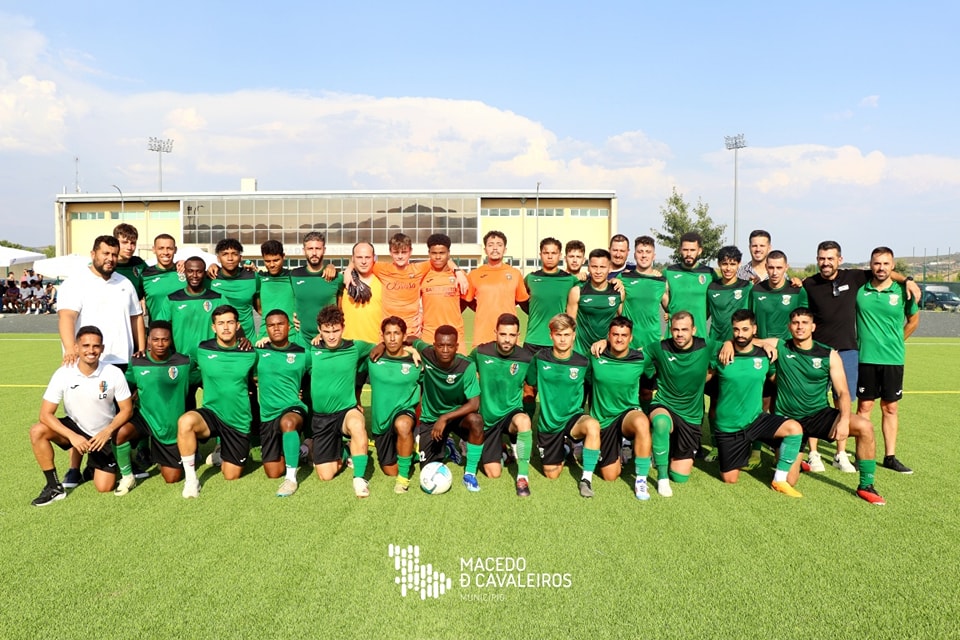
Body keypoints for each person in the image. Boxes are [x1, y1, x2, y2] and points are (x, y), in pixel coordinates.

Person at [801, 240, 920, 471]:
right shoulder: (812, 284)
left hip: (856, 353)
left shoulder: (854, 278)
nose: (826, 262)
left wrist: (908, 280)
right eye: (822, 258)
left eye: (830, 258)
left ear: (840, 260)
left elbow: (911, 315)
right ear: (817, 260)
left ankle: (847, 453)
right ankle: (814, 453)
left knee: (851, 402)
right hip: (833, 353)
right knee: (818, 401)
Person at [56, 236, 143, 488]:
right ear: (93, 253)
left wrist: (140, 350)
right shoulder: (75, 282)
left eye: (114, 254)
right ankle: (74, 468)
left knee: (120, 416)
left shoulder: (124, 282)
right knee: (80, 416)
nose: (110, 259)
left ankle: (119, 462)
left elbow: (136, 318)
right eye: (105, 253)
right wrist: (71, 348)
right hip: (87, 361)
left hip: (121, 361)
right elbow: (66, 318)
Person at [775, 309, 886, 504]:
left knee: (865, 427)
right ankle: (797, 459)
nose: (800, 326)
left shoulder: (829, 354)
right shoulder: (781, 347)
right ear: (789, 327)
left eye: (804, 322)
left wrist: (843, 420)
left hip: (818, 414)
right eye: (795, 322)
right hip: (789, 422)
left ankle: (866, 485)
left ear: (813, 327)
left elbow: (842, 392)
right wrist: (727, 344)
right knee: (789, 481)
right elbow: (752, 341)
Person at [28, 326, 133, 505]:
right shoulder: (63, 373)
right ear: (76, 348)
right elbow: (45, 415)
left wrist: (107, 432)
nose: (91, 350)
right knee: (38, 430)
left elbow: (127, 410)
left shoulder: (113, 373)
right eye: (85, 345)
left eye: (96, 346)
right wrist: (73, 437)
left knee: (104, 487)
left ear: (102, 348)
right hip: (75, 429)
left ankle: (92, 465)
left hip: (103, 434)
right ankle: (54, 486)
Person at [711, 310, 803, 497]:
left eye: (745, 329)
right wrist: (727, 343)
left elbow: (777, 379)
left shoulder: (764, 355)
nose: (740, 334)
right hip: (729, 427)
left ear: (754, 329)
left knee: (794, 429)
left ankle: (779, 479)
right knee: (729, 479)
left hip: (755, 420)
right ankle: (739, 451)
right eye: (736, 330)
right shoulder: (721, 352)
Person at [176, 305, 258, 497]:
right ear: (214, 327)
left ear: (238, 325)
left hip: (238, 420)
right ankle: (191, 480)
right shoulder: (202, 349)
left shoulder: (250, 353)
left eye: (230, 322)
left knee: (231, 475)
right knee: (185, 421)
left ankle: (223, 453)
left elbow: (263, 378)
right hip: (212, 413)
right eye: (221, 323)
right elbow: (178, 364)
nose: (226, 327)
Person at [855, 247, 920, 474]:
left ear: (892, 266)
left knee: (890, 407)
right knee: (864, 407)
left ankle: (890, 457)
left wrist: (897, 342)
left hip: (893, 359)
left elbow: (913, 320)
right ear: (870, 265)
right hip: (865, 358)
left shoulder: (903, 291)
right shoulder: (860, 290)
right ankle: (860, 454)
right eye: (876, 263)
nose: (880, 268)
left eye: (885, 264)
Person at [524, 313, 601, 498]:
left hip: (573, 419)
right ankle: (565, 447)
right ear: (551, 335)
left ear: (574, 335)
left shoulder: (583, 362)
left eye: (566, 334)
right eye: (558, 335)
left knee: (592, 425)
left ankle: (586, 479)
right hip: (549, 424)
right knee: (552, 474)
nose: (563, 339)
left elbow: (592, 387)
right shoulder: (540, 358)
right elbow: (529, 384)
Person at [307, 305, 375, 497]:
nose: (331, 336)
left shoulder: (355, 347)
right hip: (321, 418)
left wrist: (412, 350)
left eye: (335, 330)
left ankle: (359, 479)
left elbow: (383, 346)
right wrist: (264, 339)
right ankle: (345, 451)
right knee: (325, 475)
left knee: (357, 425)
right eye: (327, 331)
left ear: (343, 328)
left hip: (346, 412)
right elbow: (286, 346)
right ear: (319, 330)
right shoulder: (312, 348)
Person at [642, 312, 712, 497]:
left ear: (694, 330)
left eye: (684, 330)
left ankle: (662, 448)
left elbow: (736, 346)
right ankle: (662, 478)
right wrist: (603, 344)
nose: (680, 334)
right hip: (664, 404)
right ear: (670, 329)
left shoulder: (707, 345)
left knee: (680, 476)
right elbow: (632, 356)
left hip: (691, 415)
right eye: (675, 329)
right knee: (661, 423)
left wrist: (729, 344)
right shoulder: (659, 348)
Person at [587, 317, 653, 500]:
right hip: (604, 419)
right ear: (608, 336)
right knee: (610, 476)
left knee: (641, 422)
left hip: (627, 414)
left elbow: (653, 380)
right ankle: (622, 448)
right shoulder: (595, 355)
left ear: (631, 338)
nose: (619, 339)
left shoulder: (640, 359)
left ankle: (641, 480)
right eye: (615, 334)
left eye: (624, 335)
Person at [470, 313, 536, 496]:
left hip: (510, 415)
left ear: (518, 335)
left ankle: (523, 477)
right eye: (503, 334)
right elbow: (464, 370)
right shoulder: (481, 353)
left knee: (523, 421)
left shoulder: (526, 358)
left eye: (512, 335)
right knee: (493, 473)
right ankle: (502, 451)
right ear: (495, 333)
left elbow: (532, 386)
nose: (507, 340)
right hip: (488, 419)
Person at [413, 324, 484, 492]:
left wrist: (445, 417)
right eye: (441, 345)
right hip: (431, 419)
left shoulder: (466, 366)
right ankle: (448, 446)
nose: (445, 350)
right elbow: (410, 339)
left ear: (456, 346)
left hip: (457, 418)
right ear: (434, 345)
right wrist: (383, 345)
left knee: (477, 421)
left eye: (450, 346)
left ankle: (470, 474)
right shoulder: (426, 353)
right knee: (426, 468)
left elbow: (474, 404)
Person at [124, 321, 192, 486]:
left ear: (171, 340)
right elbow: (125, 387)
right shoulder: (137, 362)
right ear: (148, 340)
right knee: (120, 433)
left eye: (165, 340)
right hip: (145, 418)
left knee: (172, 478)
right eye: (155, 339)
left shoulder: (184, 362)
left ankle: (158, 452)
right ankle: (127, 474)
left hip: (169, 426)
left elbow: (204, 378)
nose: (160, 344)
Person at [254, 309, 309, 496]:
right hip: (268, 415)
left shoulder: (302, 353)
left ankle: (291, 479)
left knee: (288, 422)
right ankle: (302, 450)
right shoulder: (258, 352)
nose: (276, 328)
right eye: (271, 325)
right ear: (266, 329)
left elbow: (318, 375)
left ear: (289, 326)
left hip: (293, 409)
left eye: (280, 324)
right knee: (273, 472)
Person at [367, 316, 423, 493]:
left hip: (404, 413)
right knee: (390, 470)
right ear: (382, 336)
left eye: (396, 334)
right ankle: (413, 454)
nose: (392, 338)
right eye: (388, 334)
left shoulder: (416, 362)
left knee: (403, 424)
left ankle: (403, 479)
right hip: (381, 422)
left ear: (403, 335)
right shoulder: (373, 358)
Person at [464, 230, 529, 347]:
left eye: (499, 245)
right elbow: (468, 300)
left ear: (505, 249)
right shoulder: (474, 274)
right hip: (482, 336)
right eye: (490, 245)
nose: (495, 248)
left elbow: (521, 300)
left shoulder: (515, 274)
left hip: (508, 335)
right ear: (485, 250)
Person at [521, 237, 578, 355]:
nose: (550, 256)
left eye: (554, 253)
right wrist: (533, 311)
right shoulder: (530, 278)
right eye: (546, 253)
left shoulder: (570, 280)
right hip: (533, 340)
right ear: (540, 254)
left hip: (558, 341)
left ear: (560, 255)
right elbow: (521, 299)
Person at [566, 248, 623, 355]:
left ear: (609, 268)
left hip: (606, 352)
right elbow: (570, 325)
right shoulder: (577, 291)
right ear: (588, 267)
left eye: (602, 267)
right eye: (594, 267)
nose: (598, 271)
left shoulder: (618, 292)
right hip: (580, 352)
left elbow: (624, 324)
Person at [290, 232, 344, 347]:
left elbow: (342, 308)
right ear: (304, 250)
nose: (314, 253)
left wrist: (331, 266)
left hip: (328, 340)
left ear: (324, 250)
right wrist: (290, 316)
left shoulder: (337, 278)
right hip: (301, 339)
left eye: (318, 248)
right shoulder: (294, 275)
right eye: (310, 248)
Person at [663, 231, 718, 338]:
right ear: (680, 250)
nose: (688, 254)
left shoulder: (710, 274)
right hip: (673, 336)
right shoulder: (668, 272)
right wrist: (671, 312)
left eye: (692, 250)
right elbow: (662, 297)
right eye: (685, 250)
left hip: (699, 335)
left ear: (699, 251)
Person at [420, 233, 469, 349]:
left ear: (448, 253)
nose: (438, 257)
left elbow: (467, 301)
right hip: (429, 336)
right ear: (429, 253)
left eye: (442, 253)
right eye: (434, 253)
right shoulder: (422, 275)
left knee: (461, 366)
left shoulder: (460, 275)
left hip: (455, 335)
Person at [210, 238, 259, 340]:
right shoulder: (210, 278)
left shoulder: (253, 277)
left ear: (240, 257)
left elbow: (261, 309)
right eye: (225, 254)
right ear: (218, 258)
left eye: (234, 254)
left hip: (248, 340)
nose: (230, 258)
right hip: (219, 341)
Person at [255, 240, 298, 343]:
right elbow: (259, 308)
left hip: (291, 336)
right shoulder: (259, 278)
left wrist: (330, 266)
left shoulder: (293, 276)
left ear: (283, 256)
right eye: (267, 261)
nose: (272, 265)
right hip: (264, 336)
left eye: (276, 260)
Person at [341, 241, 384, 344]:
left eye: (367, 257)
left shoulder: (383, 281)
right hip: (348, 346)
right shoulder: (343, 281)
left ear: (374, 258)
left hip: (375, 346)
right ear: (353, 258)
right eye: (359, 257)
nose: (363, 261)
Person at [140, 234, 185, 322]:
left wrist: (213, 266)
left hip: (183, 332)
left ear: (175, 250)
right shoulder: (145, 275)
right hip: (158, 332)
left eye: (169, 248)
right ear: (154, 250)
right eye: (161, 248)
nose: (165, 252)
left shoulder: (186, 271)